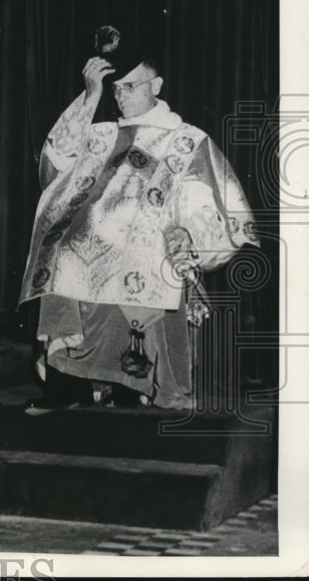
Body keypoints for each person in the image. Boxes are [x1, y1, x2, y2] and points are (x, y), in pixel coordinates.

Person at [19, 25, 259, 412]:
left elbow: (206, 199)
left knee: (137, 263)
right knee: (59, 252)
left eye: (131, 87)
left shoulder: (185, 140)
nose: (121, 97)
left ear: (156, 85)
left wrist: (189, 232)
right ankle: (68, 384)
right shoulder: (101, 134)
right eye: (116, 89)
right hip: (91, 243)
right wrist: (90, 95)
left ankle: (131, 385)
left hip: (149, 241)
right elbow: (54, 164)